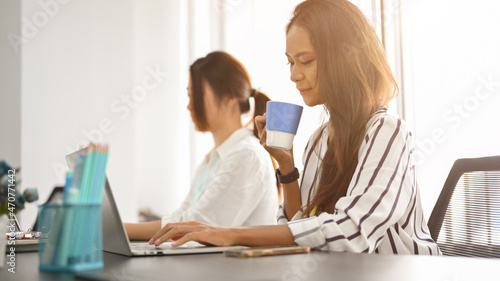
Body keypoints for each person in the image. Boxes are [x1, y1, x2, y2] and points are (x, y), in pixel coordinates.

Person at [147, 0, 440, 255]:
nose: (294, 75)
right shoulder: (318, 140)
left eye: (305, 61)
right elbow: (301, 227)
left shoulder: (387, 132)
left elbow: (352, 233)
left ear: (345, 58)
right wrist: (286, 165)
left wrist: (230, 233)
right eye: (290, 63)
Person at [125, 51, 279, 240]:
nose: (190, 105)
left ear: (230, 97)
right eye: (189, 96)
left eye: (195, 95)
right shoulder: (213, 159)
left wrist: (120, 230)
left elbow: (194, 226)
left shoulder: (246, 155)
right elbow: (181, 217)